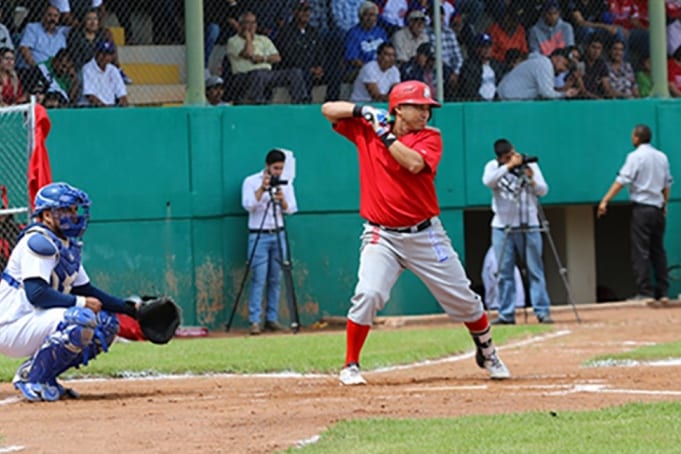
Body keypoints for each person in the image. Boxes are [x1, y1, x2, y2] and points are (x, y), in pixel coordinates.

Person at [320, 80, 511, 385]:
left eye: (427, 108)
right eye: (418, 107)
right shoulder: (369, 125)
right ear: (398, 108)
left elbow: (412, 164)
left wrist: (382, 133)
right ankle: (350, 364)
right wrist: (364, 110)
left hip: (425, 234)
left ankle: (487, 352)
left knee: (464, 299)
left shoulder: (430, 137)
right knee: (368, 293)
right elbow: (327, 110)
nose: (425, 113)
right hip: (382, 235)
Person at [0, 182, 143, 401]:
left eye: (75, 210)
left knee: (106, 323)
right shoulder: (38, 242)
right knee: (81, 318)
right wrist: (80, 302)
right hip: (10, 326)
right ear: (47, 215)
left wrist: (130, 310)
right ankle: (32, 380)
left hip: (33, 321)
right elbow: (36, 293)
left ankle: (41, 374)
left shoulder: (64, 244)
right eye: (65, 210)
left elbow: (86, 289)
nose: (73, 215)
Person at [597, 124, 673, 304]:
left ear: (637, 138)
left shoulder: (635, 156)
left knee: (641, 251)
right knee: (658, 251)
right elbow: (667, 184)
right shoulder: (662, 157)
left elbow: (622, 180)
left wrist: (605, 199)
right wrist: (664, 203)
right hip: (657, 207)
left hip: (642, 208)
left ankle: (645, 292)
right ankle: (662, 292)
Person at [482, 139, 553, 325]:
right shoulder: (493, 167)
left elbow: (543, 190)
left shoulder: (530, 165)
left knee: (535, 269)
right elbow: (488, 181)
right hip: (502, 226)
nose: (511, 159)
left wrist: (531, 178)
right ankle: (506, 313)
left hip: (529, 224)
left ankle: (542, 311)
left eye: (511, 156)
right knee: (504, 271)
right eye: (506, 158)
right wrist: (507, 167)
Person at [241, 149, 298, 335]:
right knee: (259, 278)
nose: (278, 172)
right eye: (275, 168)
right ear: (267, 166)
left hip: (278, 233)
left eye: (281, 168)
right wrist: (262, 189)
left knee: (276, 278)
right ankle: (254, 320)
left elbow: (292, 209)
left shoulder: (286, 183)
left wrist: (282, 200)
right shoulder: (251, 181)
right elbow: (248, 205)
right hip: (259, 234)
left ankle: (271, 319)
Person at [225, 11, 309, 104]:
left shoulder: (263, 39)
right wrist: (248, 37)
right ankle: (258, 102)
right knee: (257, 74)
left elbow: (277, 57)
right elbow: (248, 53)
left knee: (295, 72)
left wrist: (263, 59)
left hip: (267, 73)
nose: (251, 26)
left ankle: (301, 101)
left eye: (253, 23)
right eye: (248, 23)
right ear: (241, 25)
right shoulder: (233, 41)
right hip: (244, 76)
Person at [497, 48, 579, 100]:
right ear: (555, 58)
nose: (564, 70)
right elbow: (547, 94)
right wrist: (565, 94)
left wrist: (564, 89)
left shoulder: (542, 62)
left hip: (508, 98)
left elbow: (547, 91)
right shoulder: (545, 64)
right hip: (506, 101)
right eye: (565, 65)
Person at [80, 39, 128, 107]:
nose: (105, 57)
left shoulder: (113, 70)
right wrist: (105, 109)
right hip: (91, 108)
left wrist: (123, 105)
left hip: (110, 107)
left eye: (108, 54)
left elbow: (122, 94)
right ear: (96, 53)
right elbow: (90, 96)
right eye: (102, 53)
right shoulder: (87, 68)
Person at [481, 245, 526, 311]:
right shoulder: (495, 255)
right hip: (500, 305)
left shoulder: (507, 252)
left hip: (510, 304)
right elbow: (493, 280)